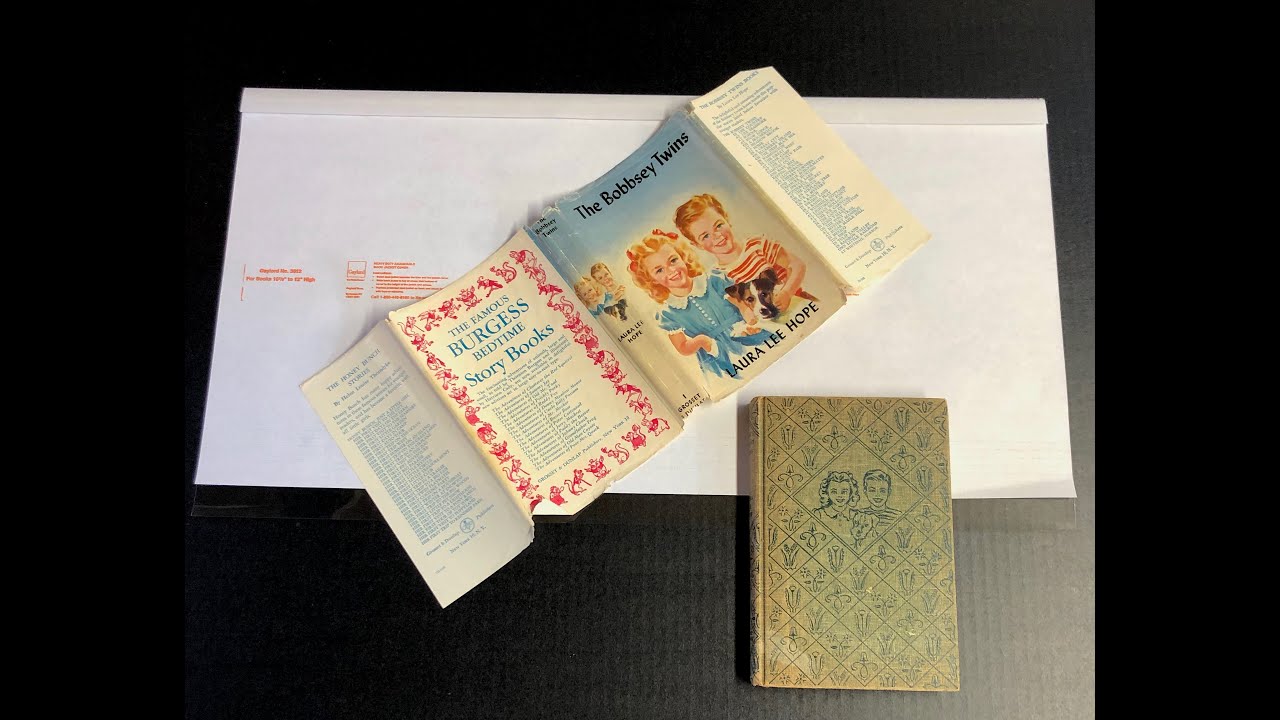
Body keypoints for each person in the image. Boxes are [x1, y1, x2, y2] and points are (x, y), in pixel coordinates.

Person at [626, 229, 768, 378]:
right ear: (652, 280)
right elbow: (682, 347)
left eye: (673, 260)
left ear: (683, 257)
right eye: (659, 270)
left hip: (745, 334)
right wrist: (703, 341)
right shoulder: (667, 313)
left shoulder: (713, 280)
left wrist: (750, 320)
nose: (671, 270)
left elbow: (742, 304)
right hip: (716, 356)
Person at [674, 193, 820, 312]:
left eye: (718, 225)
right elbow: (740, 309)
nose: (717, 236)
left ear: (726, 218)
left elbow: (797, 265)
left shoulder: (757, 245)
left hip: (800, 304)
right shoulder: (718, 276)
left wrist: (787, 293)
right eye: (705, 236)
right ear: (697, 245)